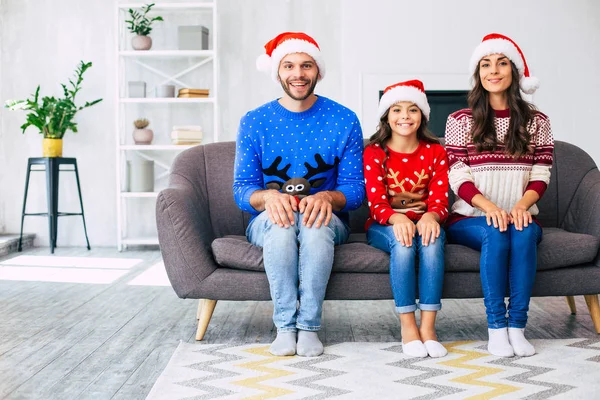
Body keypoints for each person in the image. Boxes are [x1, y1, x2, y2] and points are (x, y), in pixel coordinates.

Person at [232, 32, 365, 357]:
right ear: (278, 72)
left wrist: (328, 199)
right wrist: (267, 198)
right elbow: (241, 189)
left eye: (306, 65)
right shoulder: (254, 121)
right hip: (270, 219)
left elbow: (356, 189)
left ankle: (308, 328)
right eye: (289, 65)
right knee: (280, 230)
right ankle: (285, 328)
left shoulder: (344, 119)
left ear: (317, 71)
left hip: (326, 220)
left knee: (315, 230)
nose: (298, 74)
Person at [444, 33, 554, 357]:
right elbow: (458, 174)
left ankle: (516, 327)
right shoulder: (459, 121)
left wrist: (521, 205)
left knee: (520, 233)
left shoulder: (538, 122)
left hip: (520, 213)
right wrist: (490, 207)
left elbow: (540, 173)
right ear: (478, 73)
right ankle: (495, 328)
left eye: (501, 63)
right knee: (496, 230)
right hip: (470, 217)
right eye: (486, 64)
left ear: (514, 71)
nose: (493, 70)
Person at [363, 80, 449, 358]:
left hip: (425, 222)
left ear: (422, 115)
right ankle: (408, 325)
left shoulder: (435, 151)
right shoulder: (374, 152)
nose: (404, 117)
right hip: (384, 225)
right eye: (397, 110)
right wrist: (395, 218)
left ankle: (429, 327)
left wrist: (431, 216)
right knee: (403, 245)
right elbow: (376, 204)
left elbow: (440, 200)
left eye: (412, 110)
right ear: (386, 116)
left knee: (432, 243)